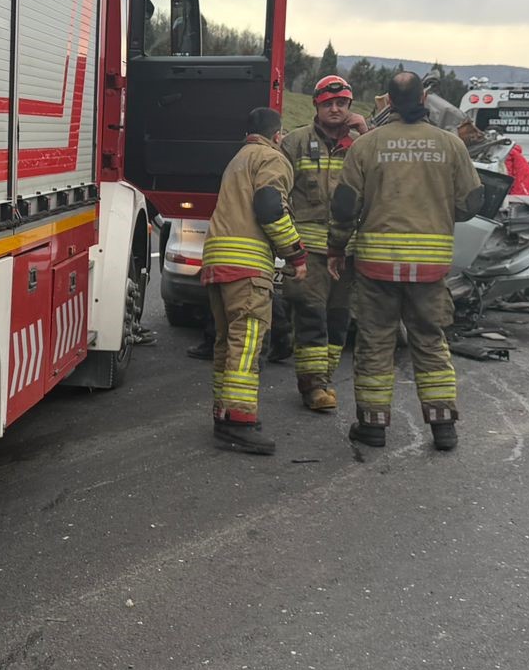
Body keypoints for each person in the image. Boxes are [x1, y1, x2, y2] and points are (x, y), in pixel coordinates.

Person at [330, 72, 488, 451]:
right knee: (431, 342)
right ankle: (443, 426)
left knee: (375, 344)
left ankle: (372, 427)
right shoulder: (450, 145)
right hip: (430, 269)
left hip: (375, 267)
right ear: (424, 98)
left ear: (387, 101)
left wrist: (337, 248)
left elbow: (345, 206)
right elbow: (472, 202)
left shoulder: (367, 145)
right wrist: (437, 209)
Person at [203, 107, 307, 453]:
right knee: (247, 344)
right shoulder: (271, 158)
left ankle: (224, 412)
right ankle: (239, 422)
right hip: (246, 268)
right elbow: (269, 207)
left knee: (226, 343)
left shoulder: (238, 158)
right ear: (278, 135)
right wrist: (295, 253)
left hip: (217, 262)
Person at [278, 74, 367, 412]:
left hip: (348, 250)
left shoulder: (362, 145)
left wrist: (366, 133)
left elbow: (381, 177)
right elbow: (280, 193)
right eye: (328, 103)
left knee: (339, 320)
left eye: (342, 103)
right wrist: (289, 247)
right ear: (316, 105)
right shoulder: (296, 142)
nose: (335, 109)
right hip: (310, 251)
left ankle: (324, 377)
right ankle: (313, 386)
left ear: (350, 106)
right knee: (311, 317)